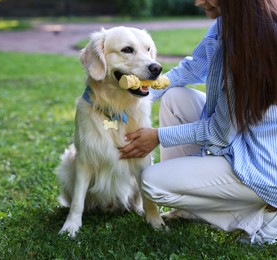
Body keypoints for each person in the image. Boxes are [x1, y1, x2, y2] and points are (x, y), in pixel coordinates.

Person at [119, 0, 277, 245]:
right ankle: (188, 209)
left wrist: (158, 136)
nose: (198, 2)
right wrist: (143, 95)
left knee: (151, 183)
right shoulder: (228, 25)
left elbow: (219, 132)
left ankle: (264, 220)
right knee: (174, 97)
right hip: (241, 138)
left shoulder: (252, 45)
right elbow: (192, 69)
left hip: (260, 164)